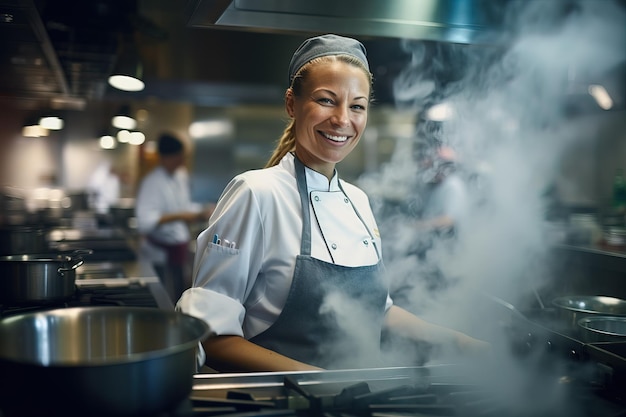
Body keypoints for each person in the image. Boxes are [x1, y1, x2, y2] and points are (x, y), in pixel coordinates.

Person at [177, 34, 488, 372]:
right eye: (326, 100)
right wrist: (321, 383)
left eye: (357, 106)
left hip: (356, 400)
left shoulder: (358, 201)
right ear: (292, 104)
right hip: (285, 402)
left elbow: (378, 311)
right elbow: (209, 334)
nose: (342, 119)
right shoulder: (256, 193)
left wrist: (460, 342)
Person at [135, 132, 214, 302]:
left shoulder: (180, 175)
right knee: (164, 299)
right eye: (179, 156)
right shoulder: (152, 182)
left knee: (180, 296)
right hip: (159, 255)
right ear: (167, 157)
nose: (182, 161)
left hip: (178, 249)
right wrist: (182, 216)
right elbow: (145, 222)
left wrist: (203, 211)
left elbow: (184, 205)